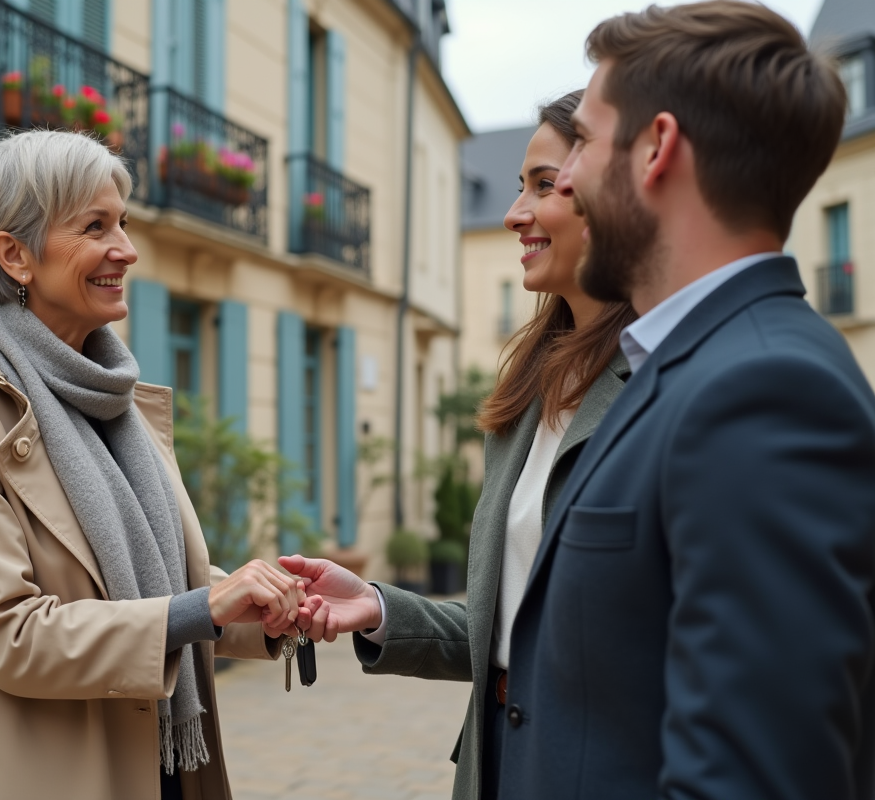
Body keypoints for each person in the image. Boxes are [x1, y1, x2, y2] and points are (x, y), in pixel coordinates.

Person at [297, 3, 875, 799]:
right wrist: (384, 611)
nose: (562, 183)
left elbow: (757, 772)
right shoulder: (697, 365)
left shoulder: (766, 388)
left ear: (658, 149)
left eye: (585, 147)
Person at [0, 130, 317, 800]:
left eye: (123, 221)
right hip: (27, 767)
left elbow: (164, 584)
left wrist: (268, 609)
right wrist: (203, 607)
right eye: (95, 226)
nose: (127, 248)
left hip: (158, 761)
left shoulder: (116, 402)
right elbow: (13, 632)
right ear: (14, 254)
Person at [280, 91, 636, 800]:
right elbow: (504, 629)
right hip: (499, 757)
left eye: (543, 186)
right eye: (519, 187)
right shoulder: (531, 392)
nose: (513, 215)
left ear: (612, 193)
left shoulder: (663, 383)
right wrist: (377, 608)